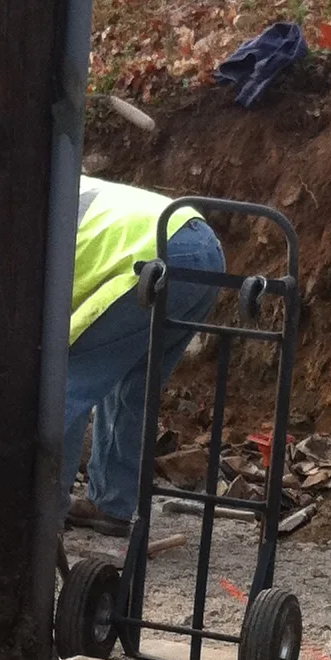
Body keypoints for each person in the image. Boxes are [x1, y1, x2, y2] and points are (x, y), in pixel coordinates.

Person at [65, 179, 225, 522]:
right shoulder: (58, 179)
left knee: (63, 382)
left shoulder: (21, 212)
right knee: (135, 387)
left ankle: (35, 516)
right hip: (204, 248)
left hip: (151, 258)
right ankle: (112, 505)